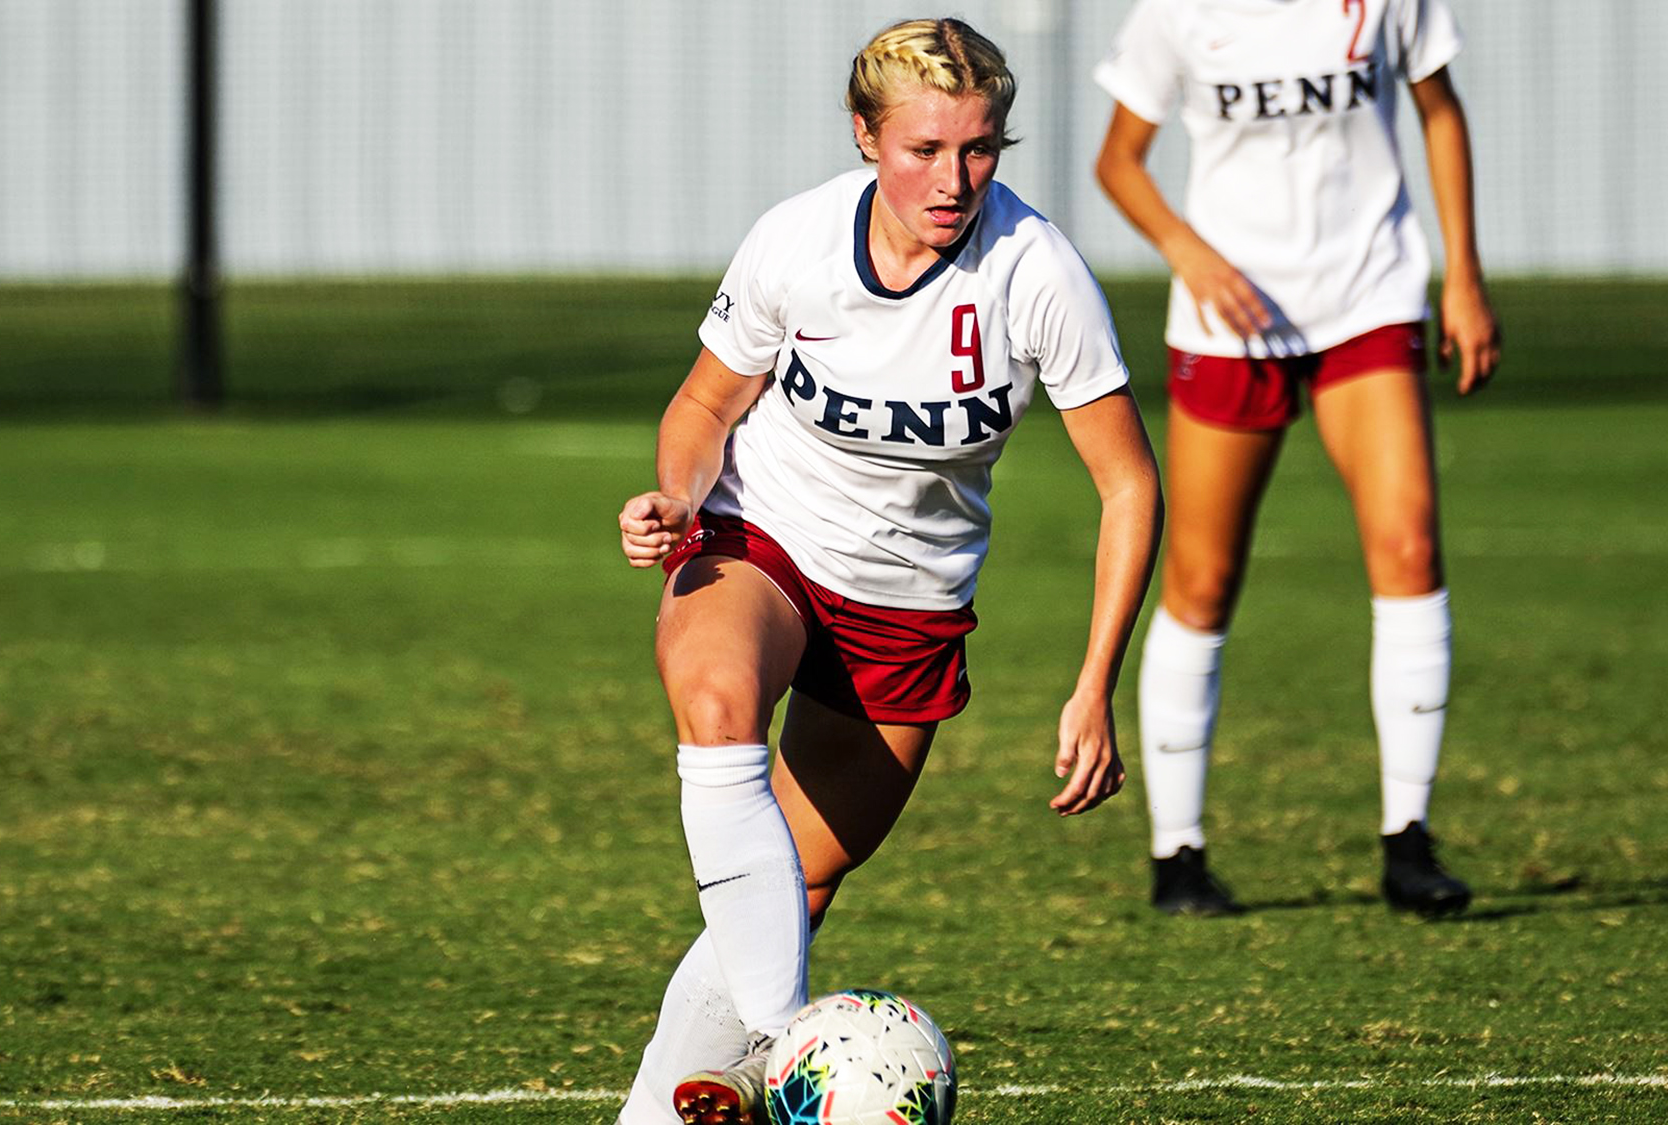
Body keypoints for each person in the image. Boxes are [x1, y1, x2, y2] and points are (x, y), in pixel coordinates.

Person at [614, 18, 1162, 1124]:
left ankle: (665, 1106)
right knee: (715, 702)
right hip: (758, 541)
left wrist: (1096, 684)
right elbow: (706, 402)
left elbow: (1129, 487)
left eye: (978, 148)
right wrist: (678, 494)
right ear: (865, 137)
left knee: (799, 886)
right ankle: (786, 1049)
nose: (953, 178)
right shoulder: (795, 240)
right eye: (923, 149)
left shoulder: (1034, 269)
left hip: (905, 604)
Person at [1091, 0, 1500, 918]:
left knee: (1410, 553)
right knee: (1200, 583)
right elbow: (1118, 160)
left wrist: (1463, 273)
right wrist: (1188, 252)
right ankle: (1179, 855)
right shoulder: (1176, 13)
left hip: (1369, 298)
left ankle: (1409, 842)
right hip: (1231, 321)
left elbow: (1440, 109)